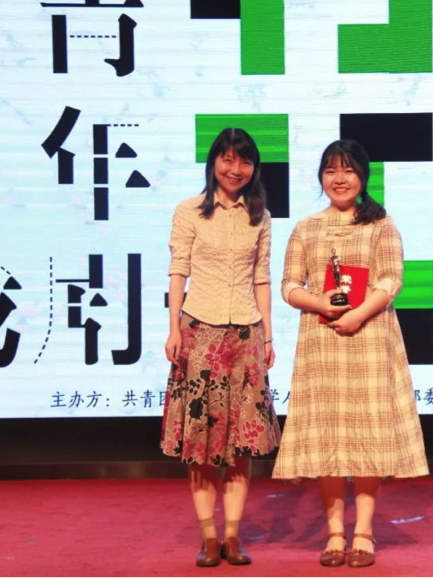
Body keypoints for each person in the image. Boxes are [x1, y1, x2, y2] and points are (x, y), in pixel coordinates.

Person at [273, 139, 428, 568]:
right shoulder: (306, 227)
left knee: (367, 437)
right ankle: (334, 533)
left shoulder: (381, 224)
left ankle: (364, 531)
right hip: (322, 342)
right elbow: (289, 285)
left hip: (370, 338)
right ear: (320, 177)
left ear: (363, 177)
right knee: (328, 438)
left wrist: (358, 314)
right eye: (330, 170)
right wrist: (320, 304)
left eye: (348, 170)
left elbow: (391, 280)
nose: (339, 179)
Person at [160, 127, 281, 567]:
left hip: (246, 335)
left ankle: (232, 536)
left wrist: (268, 335)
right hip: (199, 332)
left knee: (241, 443)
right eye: (227, 159)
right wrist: (174, 329)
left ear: (254, 168)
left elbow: (261, 278)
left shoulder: (260, 217)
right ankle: (208, 538)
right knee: (202, 443)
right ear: (214, 163)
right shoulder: (189, 211)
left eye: (244, 161)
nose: (235, 169)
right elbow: (178, 271)